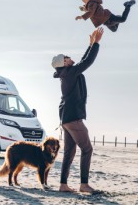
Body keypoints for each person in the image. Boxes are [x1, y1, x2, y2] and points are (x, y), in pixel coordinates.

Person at [51, 27, 104, 193]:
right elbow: (87, 62)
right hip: (73, 117)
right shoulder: (70, 72)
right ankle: (84, 184)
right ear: (64, 63)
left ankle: (63, 185)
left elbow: (82, 61)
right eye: (67, 58)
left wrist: (90, 45)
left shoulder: (67, 73)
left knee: (69, 152)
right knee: (87, 149)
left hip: (66, 117)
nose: (70, 58)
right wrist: (96, 44)